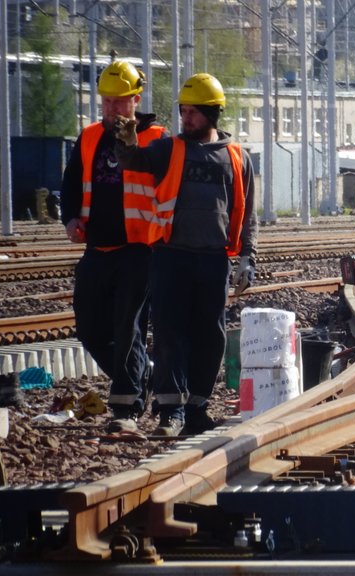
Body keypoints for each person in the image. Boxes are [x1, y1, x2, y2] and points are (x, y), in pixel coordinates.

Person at [115, 73, 257, 438]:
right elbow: (134, 161)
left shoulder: (236, 157)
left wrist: (247, 258)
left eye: (193, 112)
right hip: (170, 255)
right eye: (183, 111)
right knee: (170, 335)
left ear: (213, 114)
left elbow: (248, 213)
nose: (186, 118)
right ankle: (170, 412)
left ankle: (195, 407)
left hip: (213, 260)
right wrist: (127, 140)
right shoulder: (169, 148)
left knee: (212, 337)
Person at [60, 60, 168, 435]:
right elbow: (71, 183)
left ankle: (127, 408)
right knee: (90, 329)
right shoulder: (89, 137)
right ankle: (144, 375)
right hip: (97, 249)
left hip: (139, 249)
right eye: (106, 102)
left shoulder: (157, 139)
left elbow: (167, 191)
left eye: (119, 102)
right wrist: (71, 218)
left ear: (136, 100)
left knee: (128, 329)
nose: (111, 109)